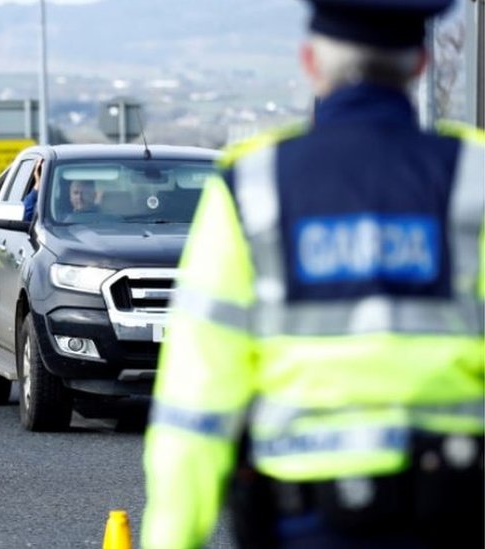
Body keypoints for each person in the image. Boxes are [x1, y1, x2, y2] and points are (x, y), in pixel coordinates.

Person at [141, 1, 484, 548]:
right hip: (453, 512)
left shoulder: (251, 186)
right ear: (421, 63)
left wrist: (171, 538)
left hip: (301, 520)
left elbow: (197, 400)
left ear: (310, 63)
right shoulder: (474, 179)